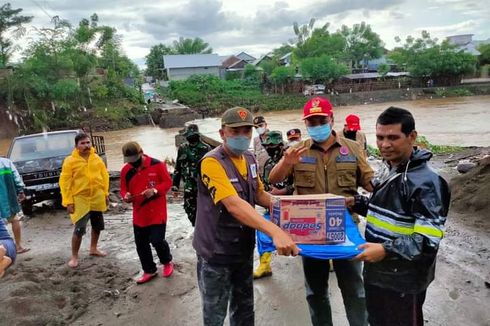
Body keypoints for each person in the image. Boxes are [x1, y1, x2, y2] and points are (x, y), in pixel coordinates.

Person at [269, 96, 374, 326]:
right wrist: (287, 163)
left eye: (321, 120)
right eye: (311, 122)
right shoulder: (297, 150)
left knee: (355, 289)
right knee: (315, 292)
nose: (316, 126)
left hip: (345, 230)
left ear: (331, 119)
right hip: (309, 232)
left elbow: (369, 182)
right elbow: (273, 179)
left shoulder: (353, 148)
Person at [193, 106, 300, 326]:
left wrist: (294, 210)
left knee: (244, 310)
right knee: (214, 315)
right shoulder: (212, 163)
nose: (242, 136)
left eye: (246, 131)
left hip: (241, 250)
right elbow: (234, 205)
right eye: (235, 131)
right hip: (216, 253)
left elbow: (259, 194)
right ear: (222, 133)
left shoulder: (249, 158)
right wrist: (275, 231)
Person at [349, 107, 450, 326]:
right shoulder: (390, 168)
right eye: (380, 137)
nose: (385, 145)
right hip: (377, 273)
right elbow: (386, 213)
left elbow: (427, 241)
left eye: (393, 137)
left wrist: (385, 249)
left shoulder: (427, 182)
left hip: (403, 281)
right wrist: (356, 203)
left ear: (412, 136)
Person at [120, 142, 174, 284]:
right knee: (141, 244)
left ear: (142, 152)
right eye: (130, 161)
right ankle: (149, 270)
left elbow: (168, 183)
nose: (134, 164)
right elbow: (123, 189)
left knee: (157, 240)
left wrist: (154, 190)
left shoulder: (157, 165)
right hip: (139, 214)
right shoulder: (126, 170)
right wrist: (126, 196)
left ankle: (167, 261)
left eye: (135, 160)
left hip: (157, 212)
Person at [59, 133, 109, 268]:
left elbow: (104, 175)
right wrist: (68, 201)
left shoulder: (96, 158)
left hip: (97, 197)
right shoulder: (70, 161)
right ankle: (74, 256)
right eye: (83, 143)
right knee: (79, 228)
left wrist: (105, 193)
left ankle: (93, 249)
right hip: (80, 199)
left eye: (88, 143)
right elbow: (65, 182)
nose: (86, 146)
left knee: (98, 225)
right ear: (76, 146)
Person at [253, 130, 295, 279]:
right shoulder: (265, 163)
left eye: (273, 146)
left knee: (311, 231)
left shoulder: (291, 160)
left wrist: (283, 191)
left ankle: (326, 259)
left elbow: (299, 184)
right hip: (273, 205)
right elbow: (263, 186)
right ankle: (264, 265)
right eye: (267, 146)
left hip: (294, 205)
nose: (270, 148)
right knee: (262, 229)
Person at [172, 124, 211, 226]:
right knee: (188, 207)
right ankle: (195, 225)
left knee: (205, 208)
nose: (190, 138)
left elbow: (212, 169)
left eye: (192, 135)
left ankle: (204, 228)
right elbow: (178, 167)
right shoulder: (183, 148)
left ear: (197, 135)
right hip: (188, 185)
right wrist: (175, 186)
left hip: (203, 185)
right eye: (188, 136)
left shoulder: (206, 149)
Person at [0, 157, 29, 254]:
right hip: (8, 198)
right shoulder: (6, 162)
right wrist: (20, 191)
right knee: (15, 219)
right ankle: (18, 246)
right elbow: (17, 178)